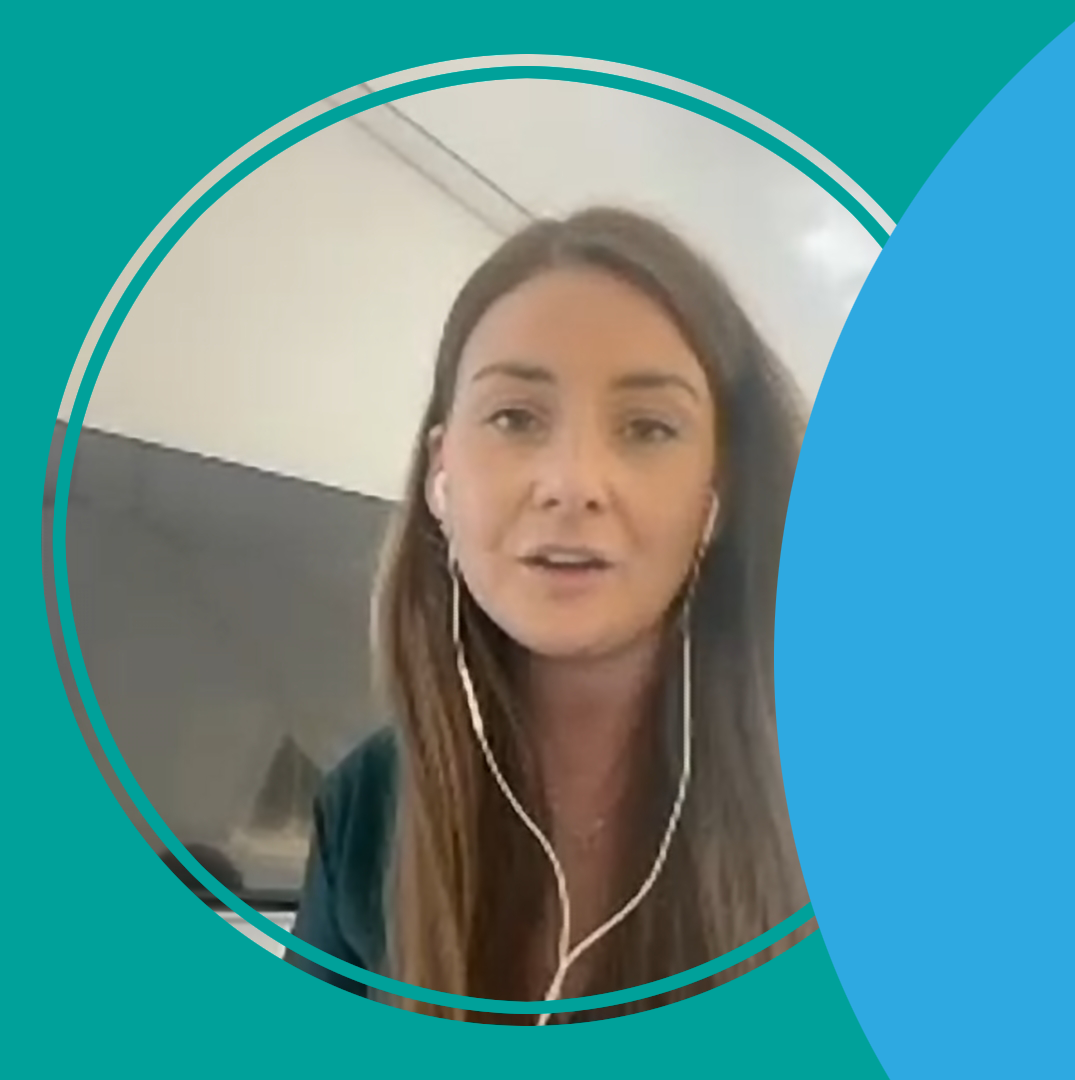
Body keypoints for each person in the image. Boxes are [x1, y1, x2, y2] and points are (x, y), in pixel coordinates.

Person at [285, 207, 810, 1024]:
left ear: (718, 492)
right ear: (440, 473)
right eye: (515, 418)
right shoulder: (368, 804)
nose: (573, 484)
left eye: (647, 428)